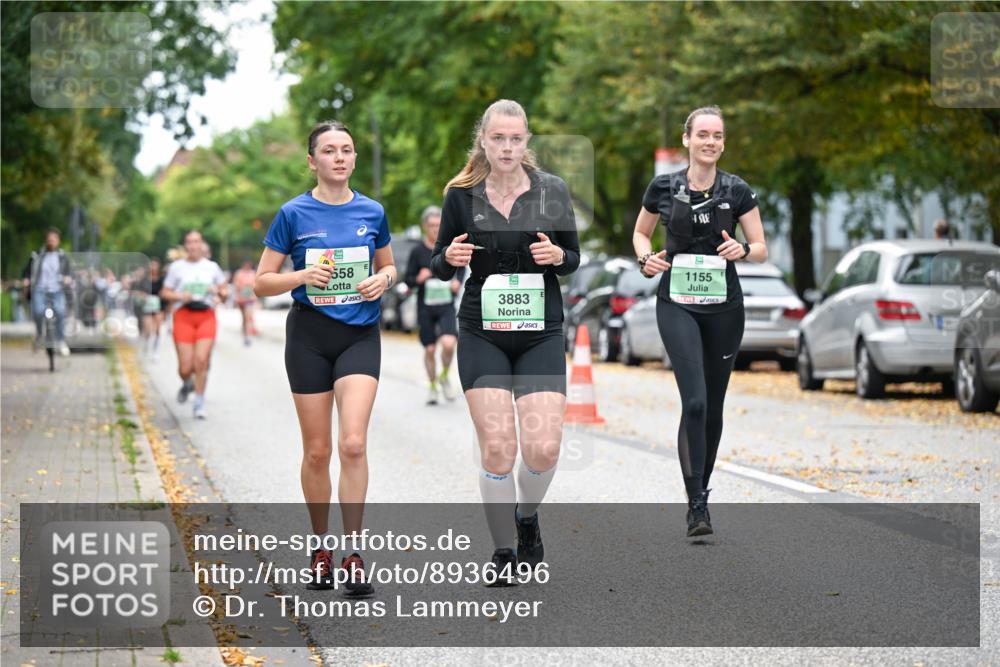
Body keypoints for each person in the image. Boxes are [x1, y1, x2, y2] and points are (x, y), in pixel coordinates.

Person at [431, 99, 580, 584]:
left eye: (516, 138)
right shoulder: (461, 193)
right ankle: (502, 552)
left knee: (543, 449)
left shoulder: (551, 190)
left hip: (540, 330)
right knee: (498, 447)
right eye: (499, 138)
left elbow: (572, 257)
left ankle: (526, 516)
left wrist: (557, 254)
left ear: (527, 141)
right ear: (484, 140)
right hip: (481, 330)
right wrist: (449, 255)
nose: (508, 147)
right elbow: (439, 263)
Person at [254, 120, 395, 597]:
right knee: (317, 451)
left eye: (347, 149)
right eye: (329, 151)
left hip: (360, 335)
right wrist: (302, 276)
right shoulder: (292, 214)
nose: (340, 157)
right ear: (312, 161)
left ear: (354, 159)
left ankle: (354, 552)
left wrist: (385, 279)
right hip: (310, 337)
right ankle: (320, 549)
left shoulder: (372, 211)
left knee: (353, 443)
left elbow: (388, 263)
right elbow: (261, 282)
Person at [632, 106, 767, 538]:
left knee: (713, 405)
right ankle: (696, 505)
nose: (711, 142)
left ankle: (702, 490)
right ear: (687, 140)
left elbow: (762, 246)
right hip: (677, 303)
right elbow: (640, 233)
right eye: (703, 134)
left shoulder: (737, 190)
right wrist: (645, 258)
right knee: (693, 401)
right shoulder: (664, 186)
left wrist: (743, 251)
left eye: (718, 136)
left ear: (723, 143)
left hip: (724, 307)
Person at [160, 230, 229, 420]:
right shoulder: (177, 267)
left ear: (202, 244)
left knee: (201, 361)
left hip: (206, 315)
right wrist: (181, 295)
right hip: (183, 316)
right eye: (189, 242)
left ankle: (199, 402)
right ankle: (187, 383)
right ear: (185, 246)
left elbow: (225, 292)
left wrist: (217, 290)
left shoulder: (212, 267)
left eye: (196, 241)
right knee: (184, 368)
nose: (192, 245)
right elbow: (165, 292)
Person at [405, 205, 464, 404]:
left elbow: (461, 267)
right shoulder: (417, 251)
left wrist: (457, 281)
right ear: (424, 227)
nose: (435, 229)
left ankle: (445, 375)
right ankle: (432, 387)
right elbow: (408, 280)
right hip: (425, 306)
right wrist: (419, 278)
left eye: (439, 225)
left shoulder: (450, 247)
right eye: (431, 225)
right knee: (430, 349)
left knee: (449, 344)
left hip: (446, 304)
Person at [23, 228, 73, 356]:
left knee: (60, 312)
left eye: (54, 240)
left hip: (57, 290)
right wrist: (27, 280)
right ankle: (40, 336)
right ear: (46, 240)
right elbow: (27, 271)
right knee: (38, 312)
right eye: (49, 239)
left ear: (58, 241)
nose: (51, 242)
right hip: (39, 289)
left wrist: (68, 278)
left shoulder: (63, 257)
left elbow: (69, 272)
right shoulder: (37, 255)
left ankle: (61, 341)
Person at [140, 258, 165, 359]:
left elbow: (166, 291)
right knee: (148, 329)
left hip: (159, 306)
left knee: (157, 329)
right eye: (152, 265)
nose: (153, 267)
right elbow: (137, 292)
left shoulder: (162, 280)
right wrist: (143, 296)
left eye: (155, 265)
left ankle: (156, 351)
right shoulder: (144, 280)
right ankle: (146, 345)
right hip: (147, 306)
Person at [232, 260, 258, 346]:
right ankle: (244, 335)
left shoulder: (253, 273)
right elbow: (236, 284)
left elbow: (256, 284)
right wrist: (243, 287)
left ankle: (248, 337)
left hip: (250, 299)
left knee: (248, 317)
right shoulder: (239, 273)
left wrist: (250, 287)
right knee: (244, 318)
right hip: (241, 298)